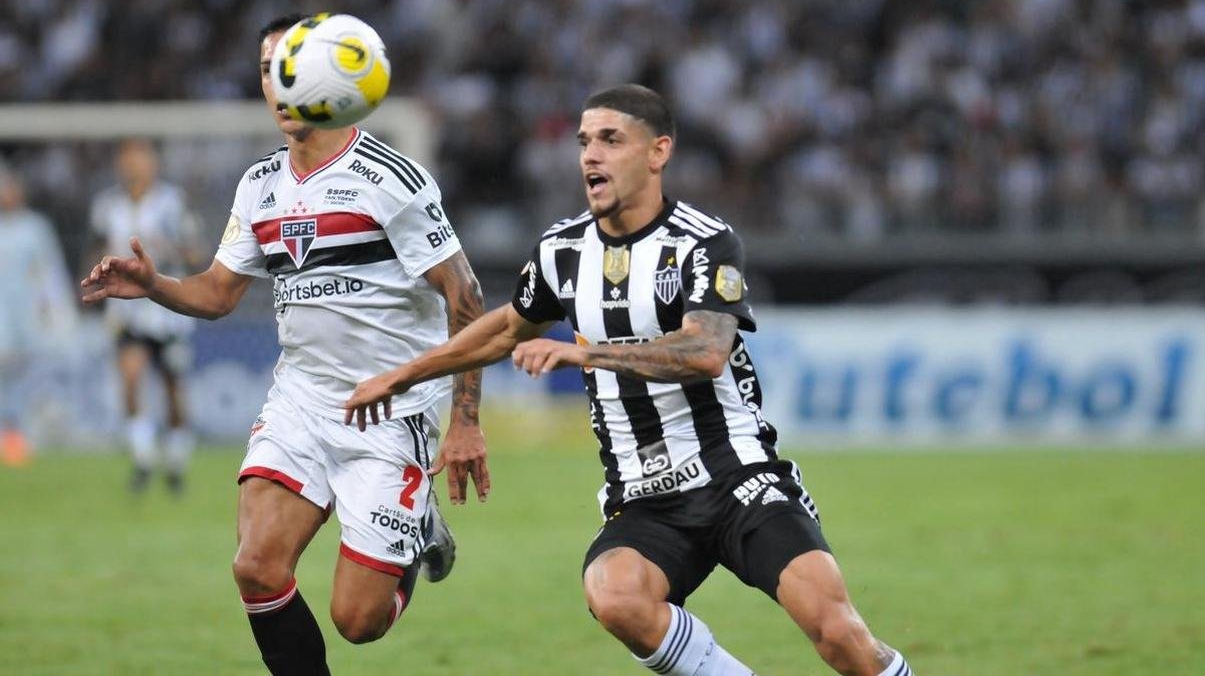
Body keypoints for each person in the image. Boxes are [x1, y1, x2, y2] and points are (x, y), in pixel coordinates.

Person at [345, 84, 915, 676]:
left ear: (657, 152)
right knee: (613, 593)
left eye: (610, 140)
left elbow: (705, 350)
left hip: (735, 475)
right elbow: (506, 328)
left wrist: (584, 355)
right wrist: (404, 376)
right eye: (584, 142)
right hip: (643, 494)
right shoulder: (562, 251)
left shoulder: (704, 242)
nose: (591, 155)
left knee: (838, 634)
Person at [82, 13, 488, 675]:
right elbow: (217, 294)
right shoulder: (259, 184)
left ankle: (414, 532)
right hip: (299, 402)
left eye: (291, 71)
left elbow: (466, 301)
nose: (278, 87)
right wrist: (153, 284)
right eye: (269, 73)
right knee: (256, 568)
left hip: (389, 414)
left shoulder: (392, 180)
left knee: (358, 622)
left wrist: (465, 421)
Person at [87, 137, 204, 493]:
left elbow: (197, 254)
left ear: (152, 163)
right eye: (127, 159)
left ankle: (176, 461)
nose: (133, 166)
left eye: (140, 158)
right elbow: (95, 246)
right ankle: (142, 459)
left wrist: (165, 249)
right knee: (131, 377)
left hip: (167, 309)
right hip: (127, 310)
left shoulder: (173, 204)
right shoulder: (106, 206)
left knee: (172, 387)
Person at [0, 165, 77, 466]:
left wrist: (56, 309)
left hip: (25, 314)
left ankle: (15, 434)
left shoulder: (35, 228)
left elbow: (49, 273)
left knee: (20, 373)